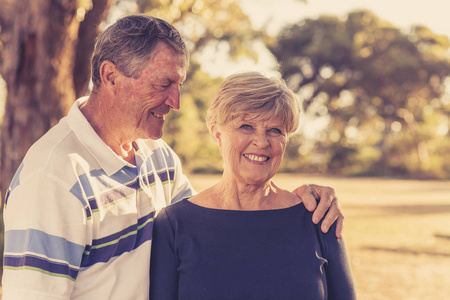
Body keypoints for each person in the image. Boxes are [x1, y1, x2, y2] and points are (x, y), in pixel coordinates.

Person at [2, 15, 343, 299]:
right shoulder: (52, 177)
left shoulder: (156, 155)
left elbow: (212, 225)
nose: (175, 101)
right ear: (111, 77)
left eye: (178, 84)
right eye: (163, 84)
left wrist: (299, 199)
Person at [150, 71, 356, 299]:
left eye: (275, 130)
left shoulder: (318, 217)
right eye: (246, 126)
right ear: (217, 133)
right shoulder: (174, 224)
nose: (261, 142)